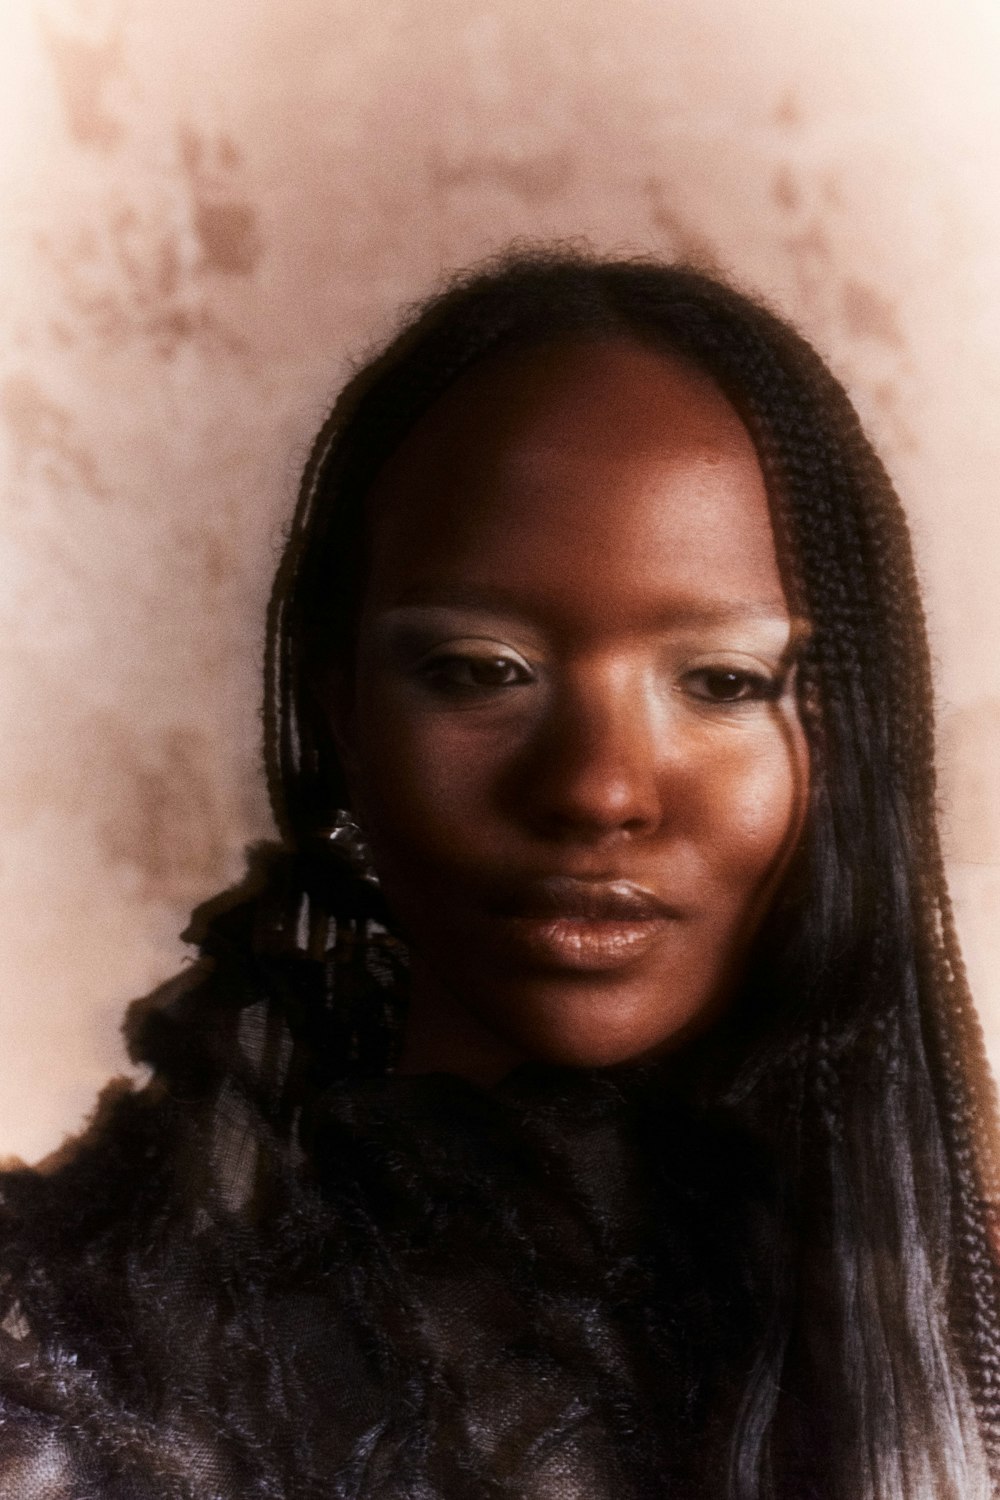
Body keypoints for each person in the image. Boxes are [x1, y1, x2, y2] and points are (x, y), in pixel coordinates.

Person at [0, 249, 998, 1499]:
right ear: (342, 710)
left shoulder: (965, 1319)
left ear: (848, 750)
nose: (597, 789)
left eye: (725, 684)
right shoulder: (71, 1344)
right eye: (481, 670)